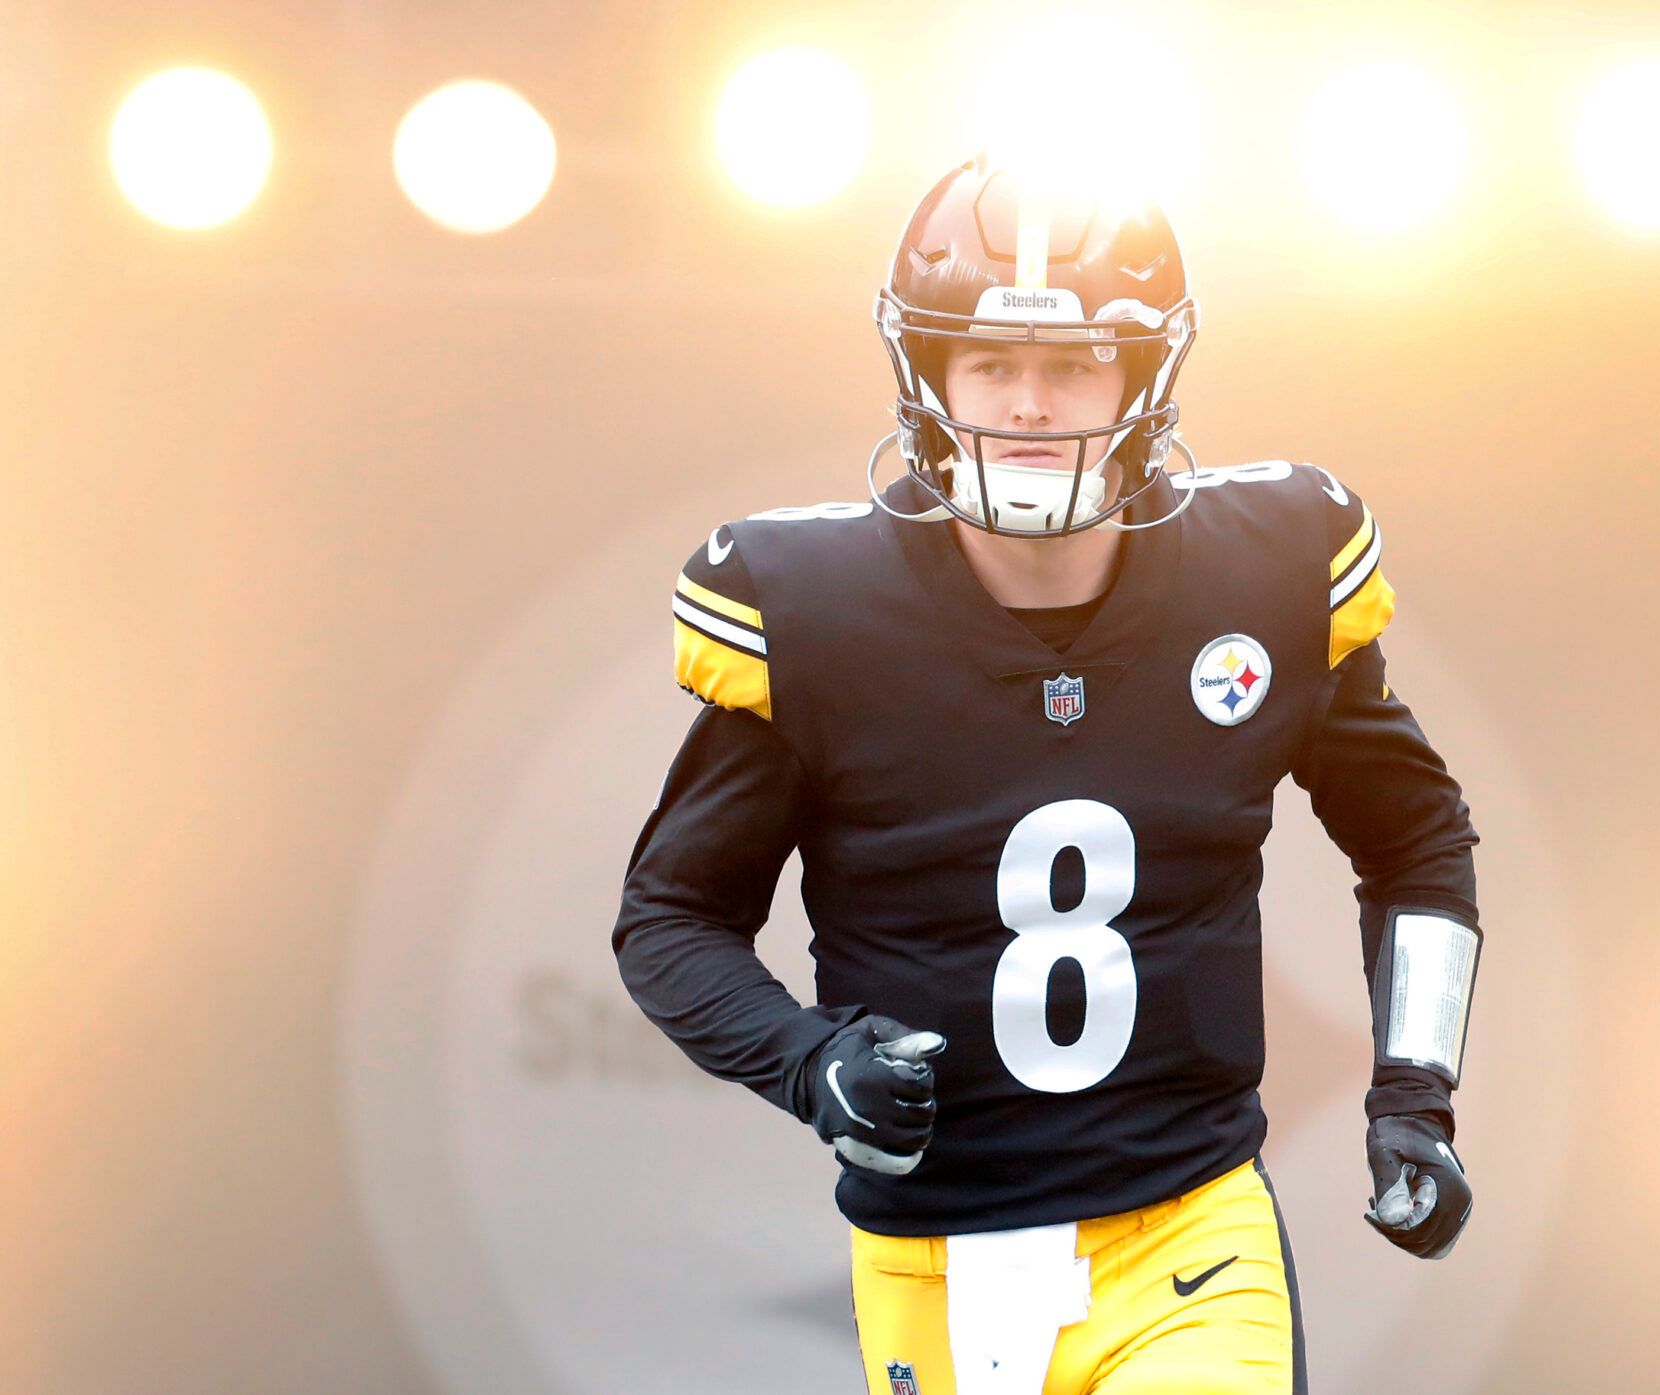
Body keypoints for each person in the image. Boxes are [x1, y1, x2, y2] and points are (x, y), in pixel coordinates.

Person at [613, 154, 1483, 1395]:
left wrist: (1415, 1091)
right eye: (993, 364)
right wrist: (808, 1062)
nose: (1029, 404)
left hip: (1188, 1229)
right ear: (928, 375)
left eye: (1074, 364)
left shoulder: (1270, 568)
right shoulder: (809, 609)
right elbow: (671, 920)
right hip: (937, 1260)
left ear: (1144, 376)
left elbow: (1414, 839)